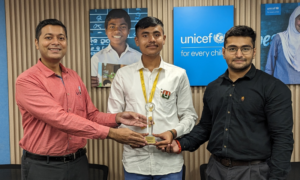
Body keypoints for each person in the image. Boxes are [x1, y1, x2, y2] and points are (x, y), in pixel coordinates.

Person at [15, 19, 148, 180]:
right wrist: (111, 133)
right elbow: (61, 119)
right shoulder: (27, 80)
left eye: (61, 38)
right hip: (44, 166)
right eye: (49, 37)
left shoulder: (73, 76)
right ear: (37, 43)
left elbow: (90, 115)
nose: (56, 42)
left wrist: (117, 118)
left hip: (78, 162)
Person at [164, 26, 294, 180]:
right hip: (215, 170)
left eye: (245, 49)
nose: (239, 54)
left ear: (254, 52)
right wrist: (180, 144)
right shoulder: (213, 87)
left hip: (254, 172)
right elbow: (206, 127)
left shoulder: (273, 87)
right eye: (233, 48)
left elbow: (283, 138)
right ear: (223, 52)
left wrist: (276, 177)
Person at [107, 17, 198, 179]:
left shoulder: (178, 74)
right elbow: (112, 116)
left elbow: (189, 116)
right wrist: (126, 136)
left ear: (164, 39)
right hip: (135, 162)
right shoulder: (123, 75)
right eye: (145, 35)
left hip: (169, 162)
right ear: (137, 40)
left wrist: (173, 132)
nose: (151, 40)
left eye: (156, 34)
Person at [91, 9, 141, 87]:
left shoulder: (139, 58)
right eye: (112, 26)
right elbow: (93, 86)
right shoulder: (96, 59)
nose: (117, 31)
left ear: (128, 31)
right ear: (106, 31)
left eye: (123, 26)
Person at [265, 6, 300, 84]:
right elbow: (269, 66)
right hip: (280, 88)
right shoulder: (279, 39)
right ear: (293, 19)